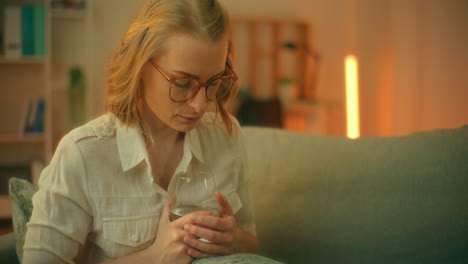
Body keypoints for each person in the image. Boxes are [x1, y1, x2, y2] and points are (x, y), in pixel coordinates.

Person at [22, 0, 260, 263]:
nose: (201, 105)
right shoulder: (82, 153)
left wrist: (232, 239)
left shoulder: (227, 137)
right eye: (182, 83)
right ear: (139, 65)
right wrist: (154, 257)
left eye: (214, 81)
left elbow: (251, 240)